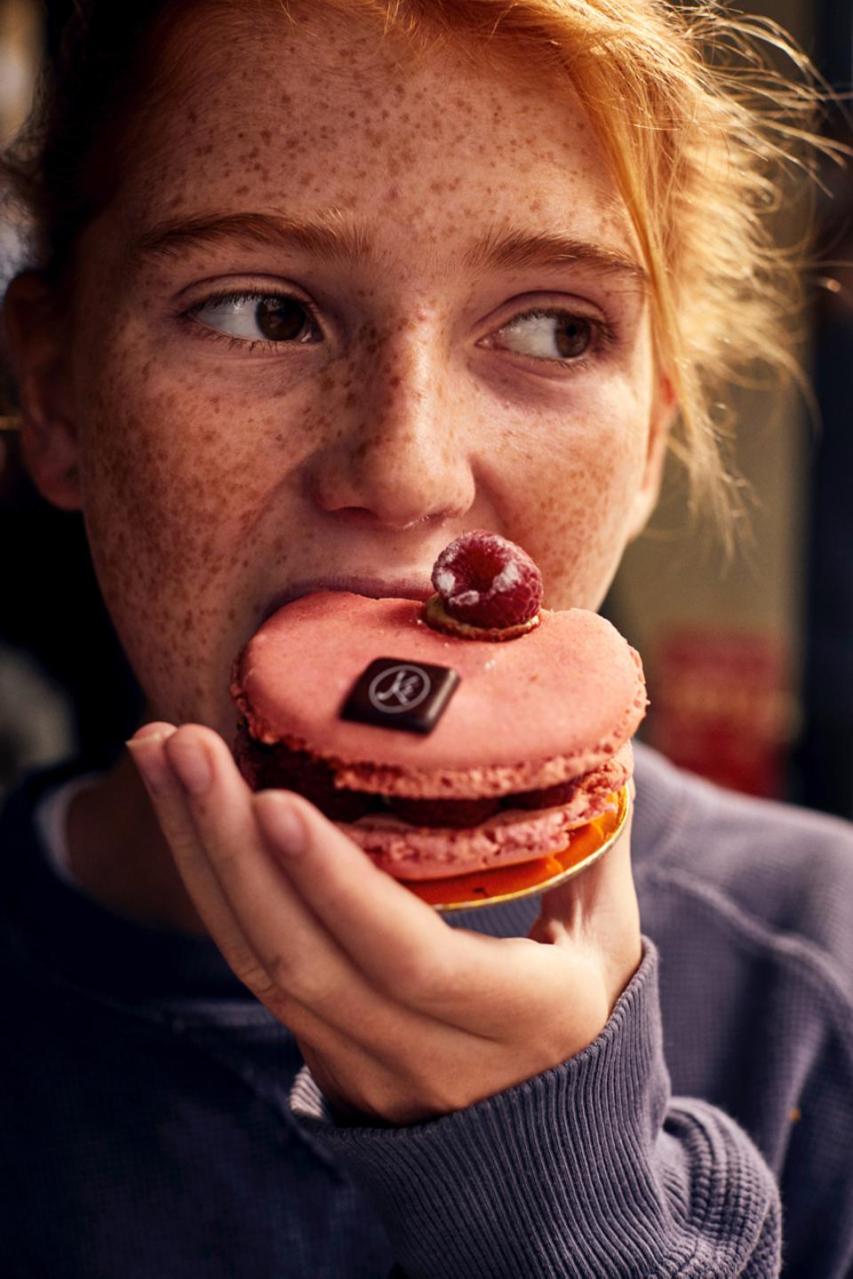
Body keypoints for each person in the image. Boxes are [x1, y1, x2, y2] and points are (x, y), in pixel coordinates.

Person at [1, 1, 851, 1275]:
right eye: (261, 313)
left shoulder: (824, 972)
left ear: (652, 447)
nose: (406, 473)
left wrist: (560, 1206)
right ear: (55, 392)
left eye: (555, 328)